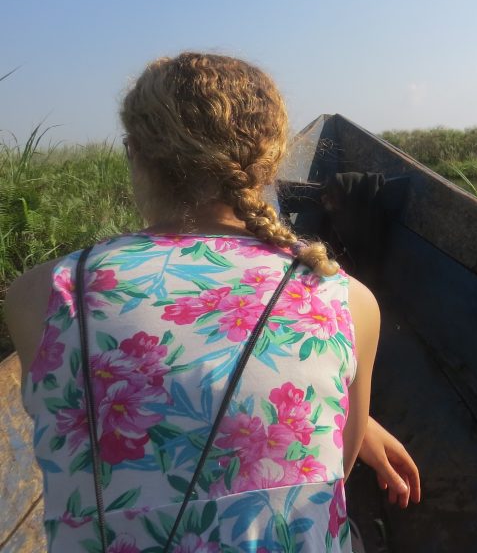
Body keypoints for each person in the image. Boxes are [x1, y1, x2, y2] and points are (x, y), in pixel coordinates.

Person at [5, 52, 419, 553]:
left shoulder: (42, 293)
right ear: (272, 160)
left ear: (134, 151)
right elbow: (340, 466)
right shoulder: (346, 299)